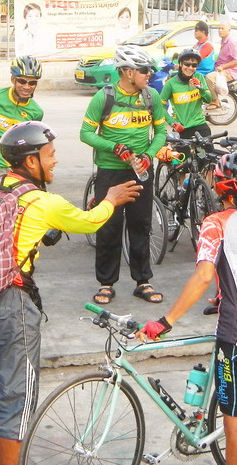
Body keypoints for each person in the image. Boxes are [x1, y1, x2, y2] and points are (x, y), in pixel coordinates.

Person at [0, 122, 142, 465]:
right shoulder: (42, 202)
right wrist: (111, 199)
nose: (56, 160)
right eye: (51, 154)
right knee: (13, 401)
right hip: (9, 305)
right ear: (31, 161)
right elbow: (90, 221)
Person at [139, 152, 237, 465]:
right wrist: (236, 292)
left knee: (236, 428)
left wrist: (166, 321)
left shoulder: (215, 224)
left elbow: (204, 276)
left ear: (219, 187)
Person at [80, 44, 167, 306]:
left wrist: (148, 155)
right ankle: (106, 283)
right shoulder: (103, 97)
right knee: (109, 226)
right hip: (110, 172)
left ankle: (143, 281)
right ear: (128, 72)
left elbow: (161, 132)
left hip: (140, 170)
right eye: (144, 70)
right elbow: (85, 134)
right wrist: (114, 147)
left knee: (141, 225)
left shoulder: (151, 96)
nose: (149, 74)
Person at [0, 57, 45, 188]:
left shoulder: (36, 111)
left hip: (15, 169)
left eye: (32, 83)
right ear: (13, 79)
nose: (27, 87)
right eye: (22, 81)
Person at [158, 48, 213, 139]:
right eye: (187, 64)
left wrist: (201, 88)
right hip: (181, 128)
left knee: (208, 148)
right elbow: (160, 107)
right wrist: (172, 122)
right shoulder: (170, 83)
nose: (190, 68)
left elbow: (208, 100)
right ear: (180, 64)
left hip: (200, 125)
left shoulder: (199, 77)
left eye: (194, 65)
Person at [207, 21, 237, 103]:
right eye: (219, 28)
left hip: (230, 71)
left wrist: (222, 67)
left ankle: (215, 100)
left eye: (222, 28)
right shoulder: (223, 41)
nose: (220, 30)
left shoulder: (231, 42)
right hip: (220, 68)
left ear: (229, 30)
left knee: (209, 77)